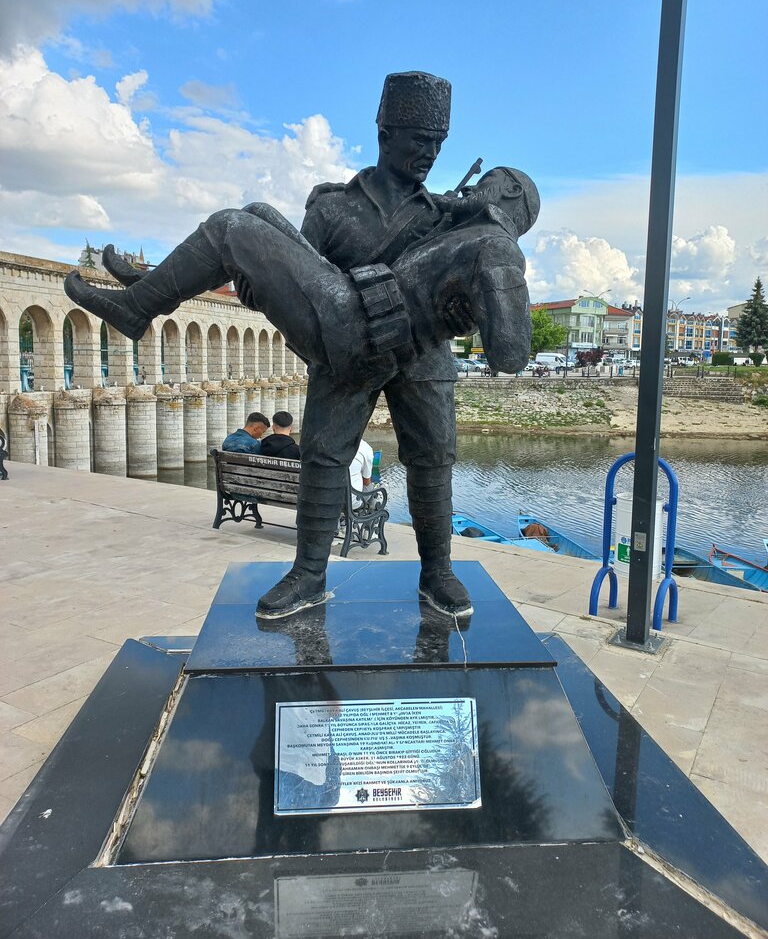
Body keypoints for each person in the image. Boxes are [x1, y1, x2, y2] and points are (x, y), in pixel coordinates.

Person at [63, 72, 536, 621]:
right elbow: (299, 282)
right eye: (419, 140)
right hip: (348, 350)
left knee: (433, 461)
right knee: (323, 456)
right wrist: (258, 287)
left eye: (438, 143)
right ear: (385, 134)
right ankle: (309, 573)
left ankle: (438, 572)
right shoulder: (334, 207)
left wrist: (465, 321)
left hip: (423, 355)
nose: (429, 154)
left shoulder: (445, 216)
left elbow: (476, 304)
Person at [348, 437, 374, 507]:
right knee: (370, 487)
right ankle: (370, 508)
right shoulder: (364, 447)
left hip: (325, 499)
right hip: (352, 503)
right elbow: (366, 482)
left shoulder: (324, 443)